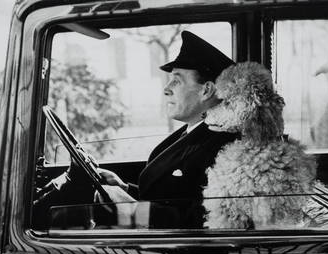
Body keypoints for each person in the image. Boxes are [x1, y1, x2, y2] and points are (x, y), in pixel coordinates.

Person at [96, 31, 237, 229]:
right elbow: (170, 198)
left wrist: (130, 209)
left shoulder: (225, 147)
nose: (166, 88)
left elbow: (198, 220)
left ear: (206, 90)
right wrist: (125, 189)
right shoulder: (195, 131)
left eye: (177, 80)